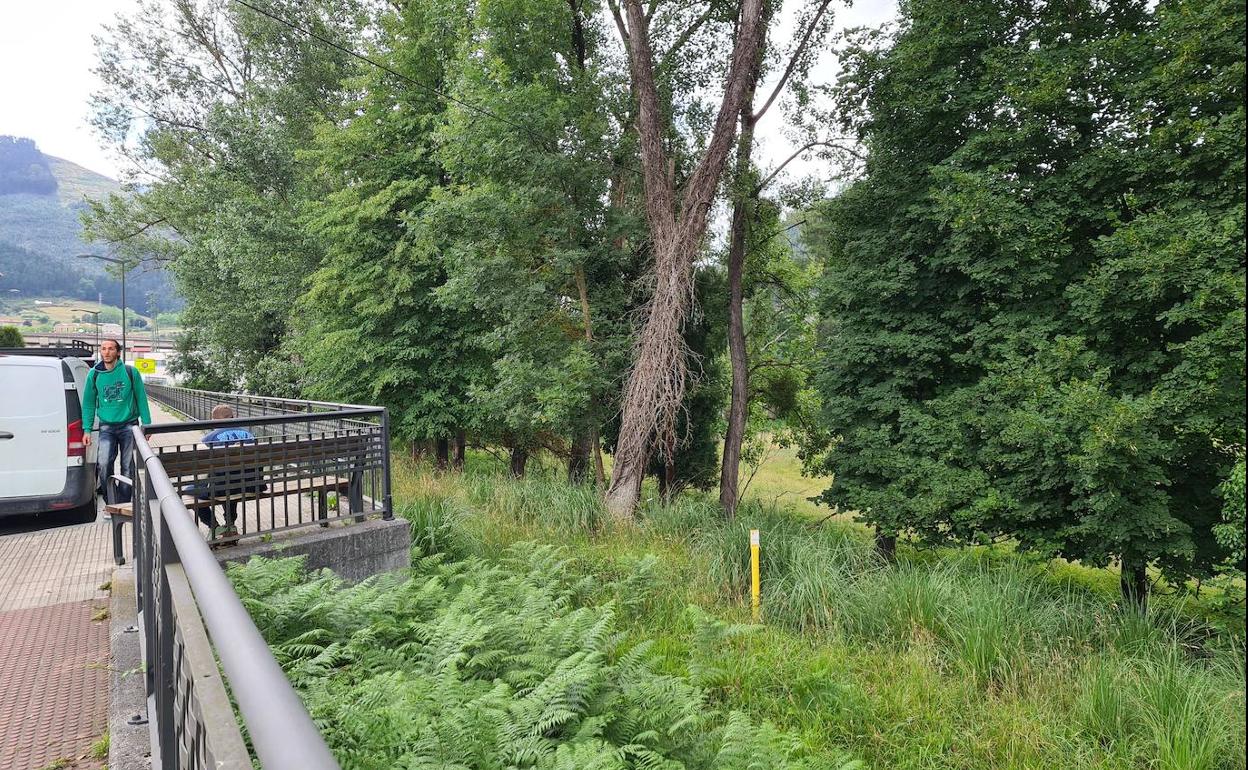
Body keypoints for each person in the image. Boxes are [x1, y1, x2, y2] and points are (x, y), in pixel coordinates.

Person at [82, 338, 152, 504]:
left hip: (129, 425)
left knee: (128, 466)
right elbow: (88, 404)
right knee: (104, 464)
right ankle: (111, 502)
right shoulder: (94, 374)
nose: (106, 352)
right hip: (106, 426)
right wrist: (87, 429)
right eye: (103, 349)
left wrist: (147, 425)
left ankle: (125, 502)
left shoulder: (130, 372)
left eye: (111, 349)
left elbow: (141, 398)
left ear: (118, 352)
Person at [184, 404, 263, 544]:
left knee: (190, 490)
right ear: (233, 417)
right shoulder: (250, 435)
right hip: (253, 487)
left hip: (223, 490)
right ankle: (230, 525)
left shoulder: (209, 439)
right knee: (231, 483)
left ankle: (213, 527)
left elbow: (200, 469)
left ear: (215, 421)